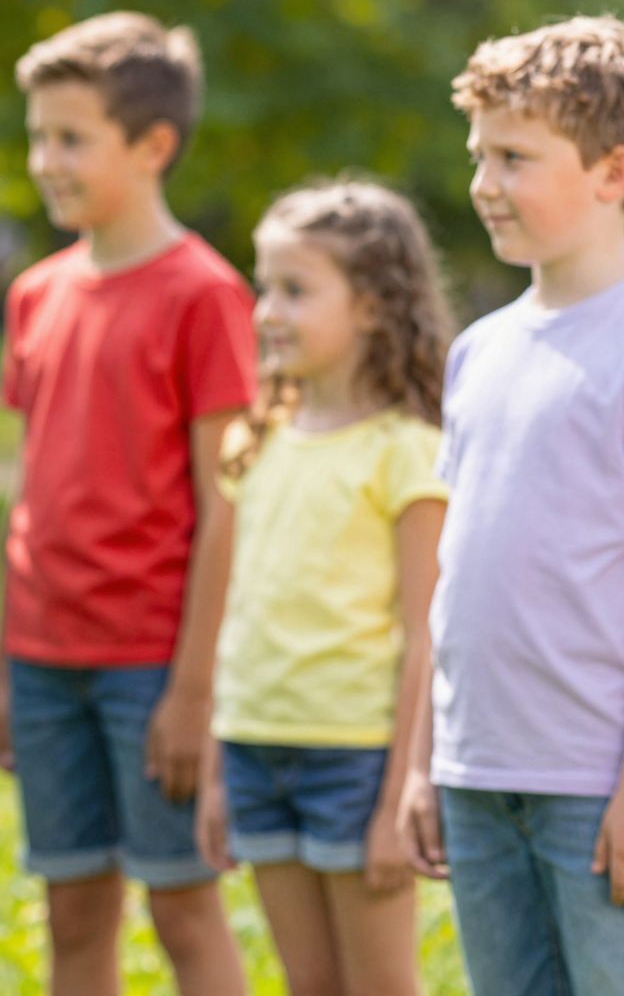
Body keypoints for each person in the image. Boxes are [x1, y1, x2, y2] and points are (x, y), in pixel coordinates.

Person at [0, 11, 253, 996]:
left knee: (183, 907)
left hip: (151, 663)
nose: (43, 160)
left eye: (69, 139)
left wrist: (193, 690)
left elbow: (225, 505)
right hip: (46, 662)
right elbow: (33, 492)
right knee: (71, 914)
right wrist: (10, 672)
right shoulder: (33, 294)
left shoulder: (204, 294)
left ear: (151, 145)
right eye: (37, 136)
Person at [399, 15, 624, 996]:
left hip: (595, 786)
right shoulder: (478, 350)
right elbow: (450, 577)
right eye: (476, 155)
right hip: (476, 774)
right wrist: (427, 758)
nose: (480, 185)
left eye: (512, 157)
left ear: (611, 171)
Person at [197, 179, 452, 995]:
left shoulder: (406, 450)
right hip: (254, 745)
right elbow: (237, 612)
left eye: (296, 290)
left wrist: (395, 801)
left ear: (375, 307)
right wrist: (212, 769)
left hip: (357, 758)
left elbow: (427, 633)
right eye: (264, 286)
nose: (268, 310)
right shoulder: (255, 437)